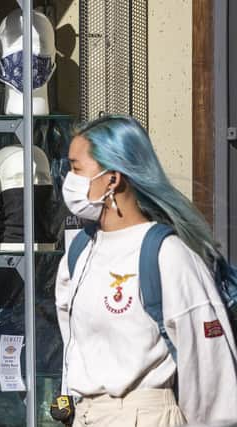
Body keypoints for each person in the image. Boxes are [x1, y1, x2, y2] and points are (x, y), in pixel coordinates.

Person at [55, 115, 237, 426]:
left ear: (112, 179)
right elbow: (75, 349)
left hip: (146, 415)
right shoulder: (78, 253)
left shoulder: (168, 254)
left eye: (75, 168)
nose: (68, 181)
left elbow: (209, 365)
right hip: (86, 415)